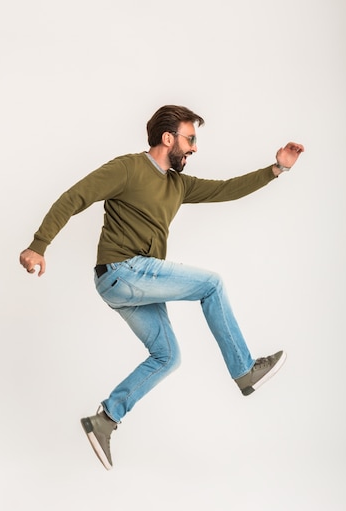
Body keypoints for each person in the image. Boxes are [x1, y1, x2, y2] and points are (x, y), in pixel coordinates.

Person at [19, 105, 304, 470]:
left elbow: (227, 189)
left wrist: (276, 169)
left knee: (168, 356)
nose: (195, 148)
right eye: (190, 139)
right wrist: (38, 245)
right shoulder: (127, 168)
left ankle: (105, 419)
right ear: (167, 138)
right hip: (123, 270)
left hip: (127, 282)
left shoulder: (178, 184)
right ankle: (244, 371)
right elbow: (75, 196)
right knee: (211, 284)